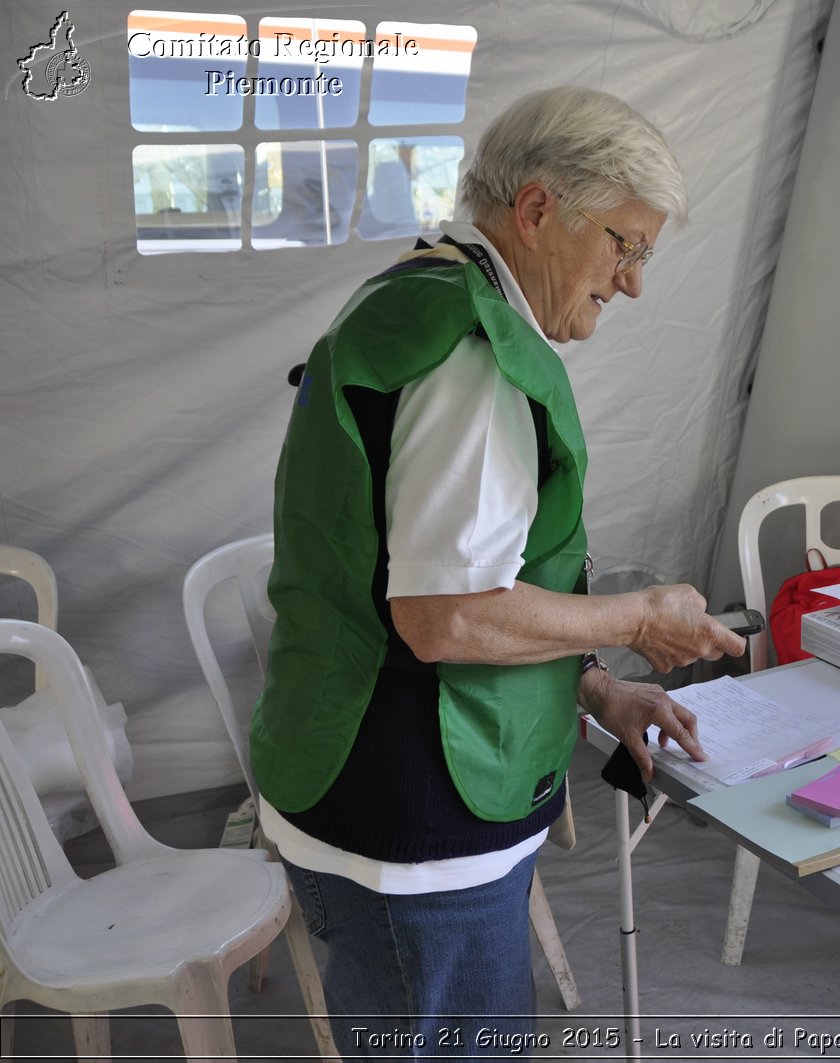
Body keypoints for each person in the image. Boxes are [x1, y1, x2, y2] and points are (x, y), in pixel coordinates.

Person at [250, 86, 746, 1058]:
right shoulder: (475, 352)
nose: (634, 281)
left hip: (359, 791)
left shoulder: (410, 296)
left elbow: (409, 582)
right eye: (625, 244)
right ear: (534, 211)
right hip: (412, 826)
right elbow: (443, 617)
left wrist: (598, 687)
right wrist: (636, 616)